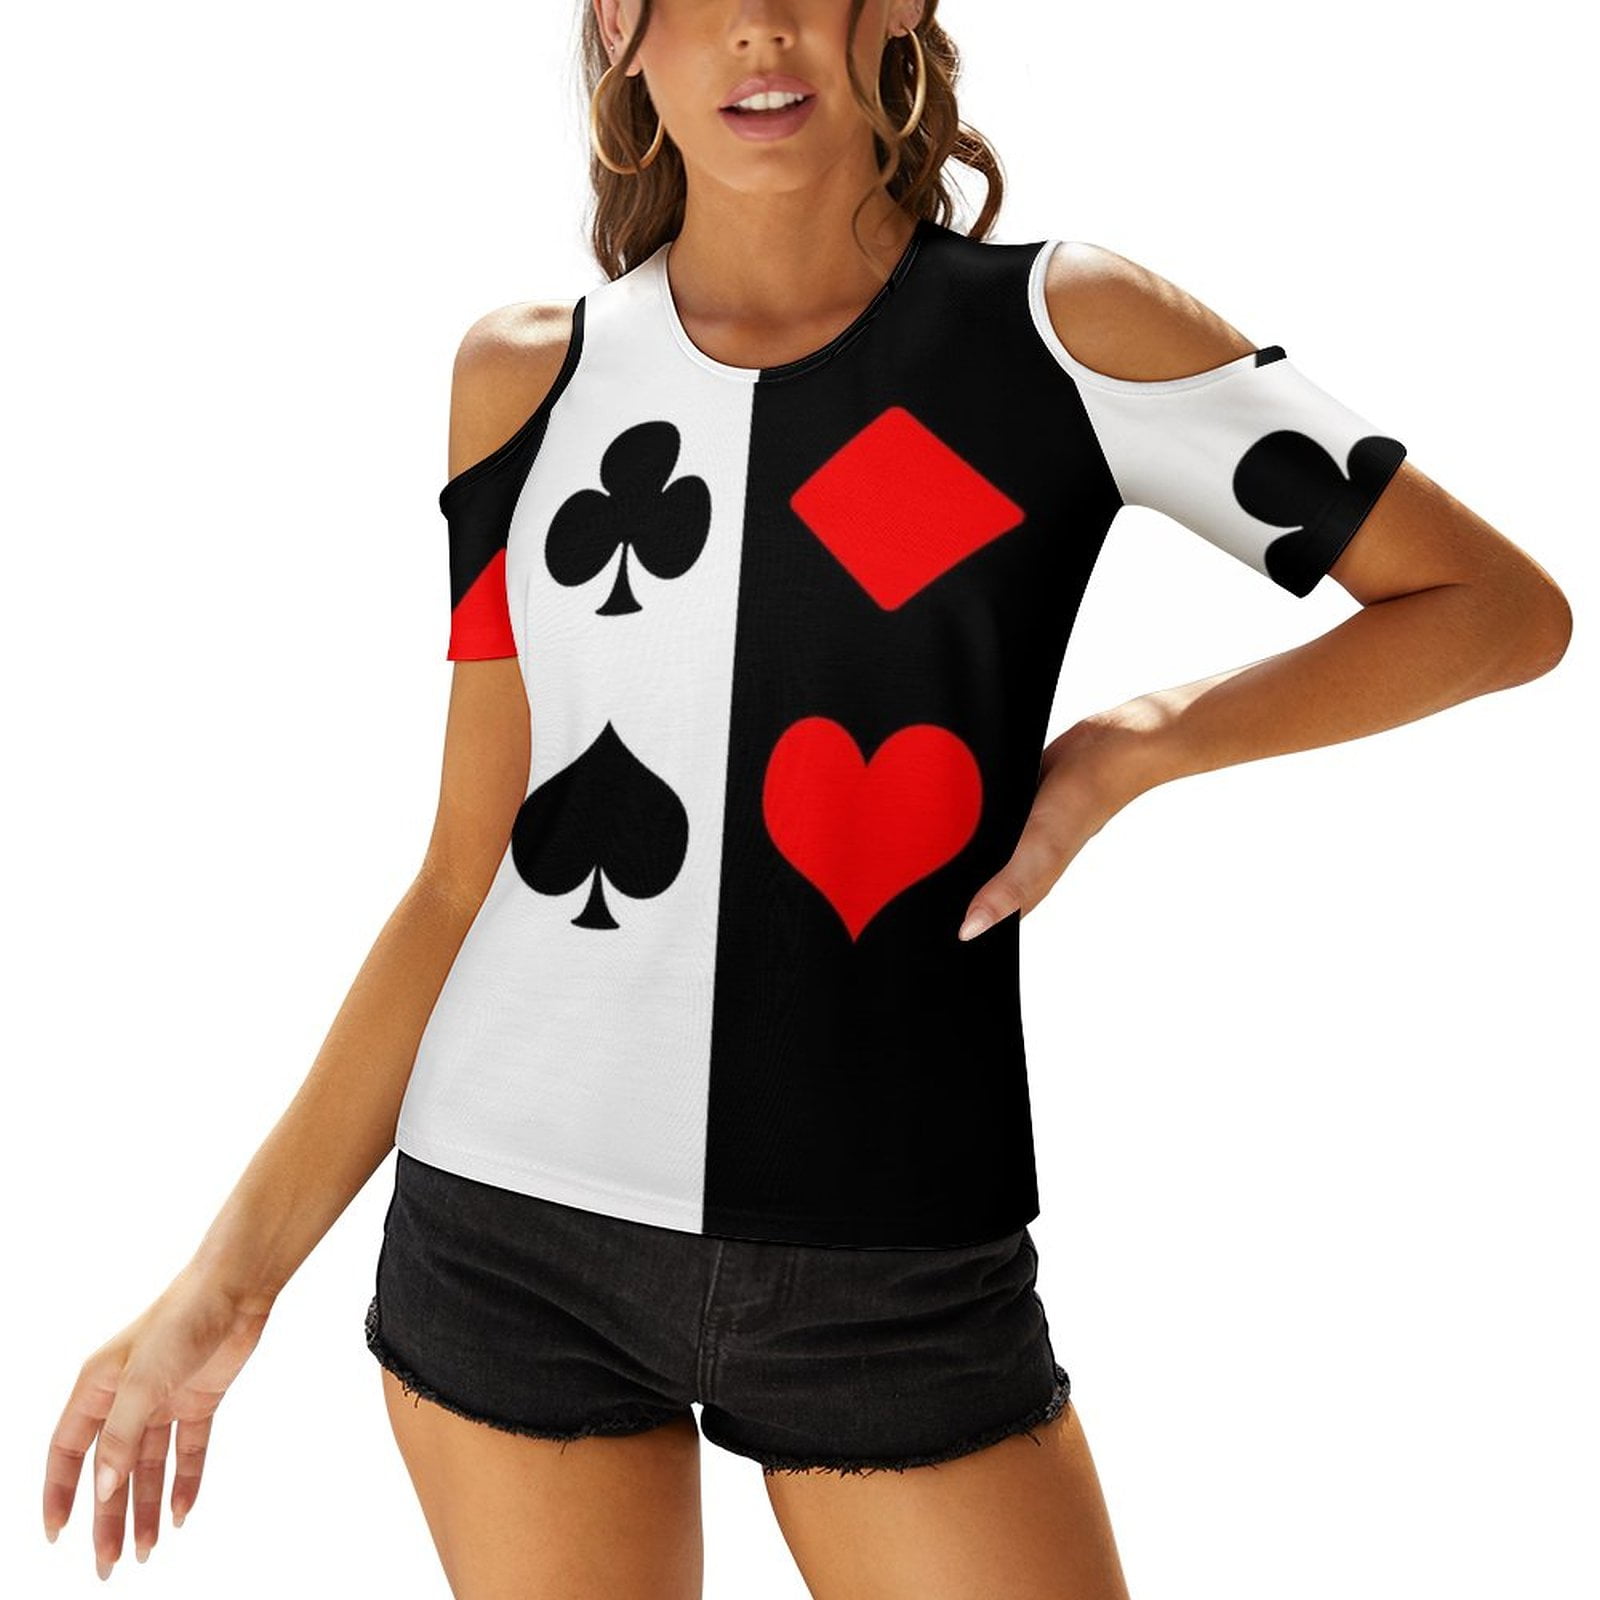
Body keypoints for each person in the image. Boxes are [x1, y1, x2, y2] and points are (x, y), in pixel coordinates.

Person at [41, 1, 1571, 1595]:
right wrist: (229, 1283)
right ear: (621, 24)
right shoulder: (525, 381)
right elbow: (458, 877)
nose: (757, 28)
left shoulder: (1065, 333)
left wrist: (1138, 742)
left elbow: (1492, 608)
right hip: (509, 1241)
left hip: (891, 1263)